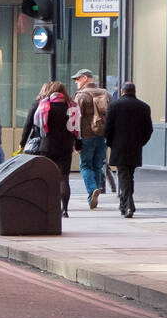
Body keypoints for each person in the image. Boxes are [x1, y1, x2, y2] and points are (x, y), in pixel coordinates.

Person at [24, 81, 79, 217]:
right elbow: (77, 127)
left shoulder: (44, 105)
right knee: (64, 178)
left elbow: (34, 125)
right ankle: (64, 210)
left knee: (45, 177)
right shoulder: (71, 106)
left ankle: (45, 207)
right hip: (65, 146)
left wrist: (23, 142)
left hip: (47, 146)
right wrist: (78, 144)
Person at [103, 82, 152, 218]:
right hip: (135, 147)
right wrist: (141, 142)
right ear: (134, 92)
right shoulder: (144, 107)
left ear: (122, 91)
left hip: (119, 146)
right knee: (129, 175)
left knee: (124, 176)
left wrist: (110, 142)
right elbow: (148, 130)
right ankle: (124, 204)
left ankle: (128, 205)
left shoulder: (114, 106)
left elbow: (107, 128)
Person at [72, 69, 112, 209]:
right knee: (97, 164)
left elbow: (75, 119)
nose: (76, 82)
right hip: (102, 136)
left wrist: (75, 140)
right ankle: (95, 191)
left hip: (86, 136)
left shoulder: (81, 96)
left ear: (85, 78)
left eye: (77, 79)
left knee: (85, 165)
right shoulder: (105, 93)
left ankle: (92, 190)